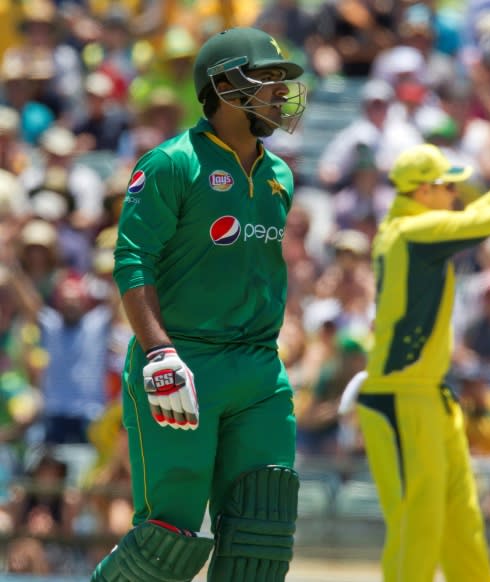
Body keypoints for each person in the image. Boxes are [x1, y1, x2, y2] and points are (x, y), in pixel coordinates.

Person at [91, 27, 308, 582]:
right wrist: (159, 354)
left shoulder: (279, 174)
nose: (281, 93)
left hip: (259, 369)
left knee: (261, 533)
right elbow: (133, 259)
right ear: (226, 85)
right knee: (170, 539)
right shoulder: (170, 164)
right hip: (182, 365)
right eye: (269, 80)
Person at [345, 132, 490, 581]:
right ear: (424, 191)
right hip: (399, 397)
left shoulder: (412, 225)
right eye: (448, 186)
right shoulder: (414, 230)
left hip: (426, 395)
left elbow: (480, 215)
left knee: (461, 518)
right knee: (419, 525)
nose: (456, 193)